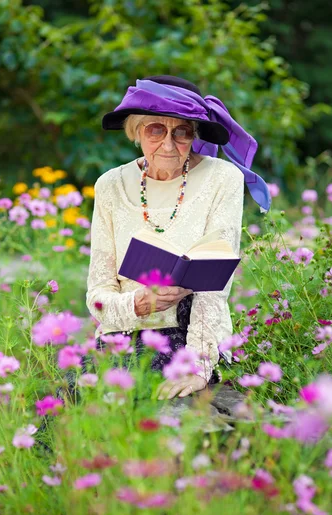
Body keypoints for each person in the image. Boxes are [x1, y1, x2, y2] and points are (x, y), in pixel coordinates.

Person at [86, 75, 271, 400]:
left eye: (181, 132)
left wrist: (198, 365)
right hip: (123, 337)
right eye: (156, 130)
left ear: (194, 134)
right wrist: (138, 304)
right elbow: (98, 295)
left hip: (188, 337)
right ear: (136, 130)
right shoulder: (109, 186)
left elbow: (214, 289)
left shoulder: (222, 179)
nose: (169, 145)